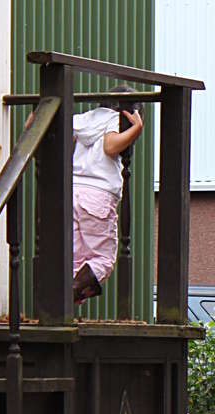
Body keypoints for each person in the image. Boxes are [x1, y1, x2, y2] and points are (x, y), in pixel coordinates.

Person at [71, 85, 143, 303]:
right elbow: (110, 147)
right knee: (102, 259)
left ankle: (66, 301)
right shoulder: (114, 119)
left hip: (73, 193)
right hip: (98, 196)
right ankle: (71, 292)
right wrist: (136, 128)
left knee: (75, 258)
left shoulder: (84, 119)